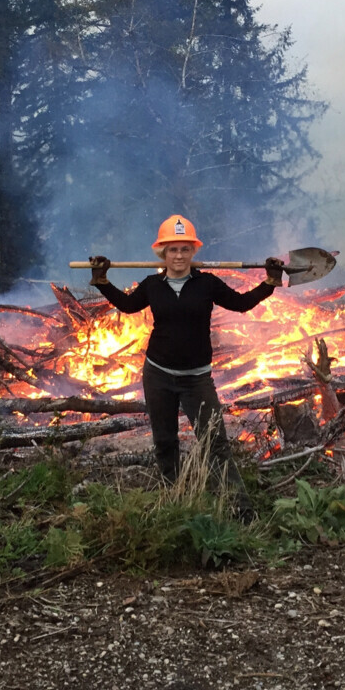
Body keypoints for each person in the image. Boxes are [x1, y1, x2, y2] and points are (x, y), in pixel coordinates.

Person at [89, 214, 283, 521]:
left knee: (215, 443)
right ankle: (174, 502)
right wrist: (101, 281)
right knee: (165, 442)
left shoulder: (206, 283)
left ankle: (240, 510)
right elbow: (127, 306)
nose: (178, 255)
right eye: (172, 250)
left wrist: (270, 282)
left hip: (196, 380)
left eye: (184, 249)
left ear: (193, 252)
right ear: (162, 253)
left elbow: (242, 303)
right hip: (158, 375)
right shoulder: (152, 285)